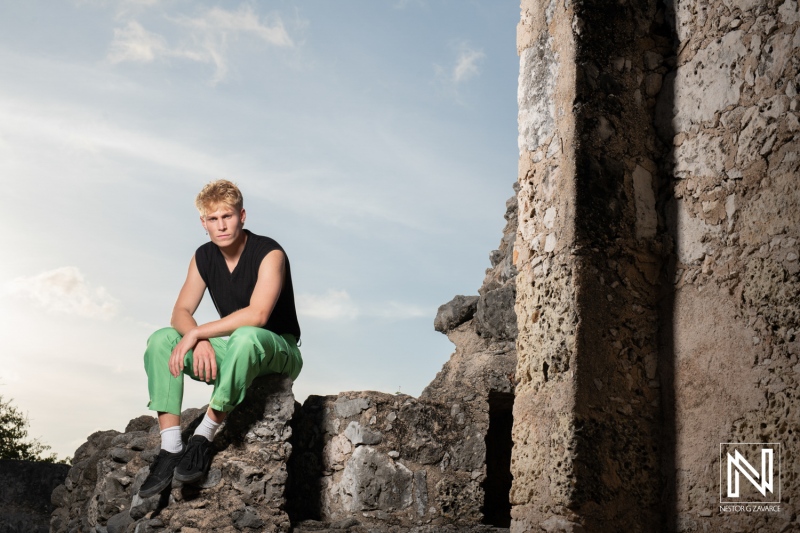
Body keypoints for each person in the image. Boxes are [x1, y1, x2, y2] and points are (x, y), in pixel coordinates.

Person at [138, 180, 302, 498]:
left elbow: (258, 316)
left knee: (245, 336)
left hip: (277, 349)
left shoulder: (270, 253)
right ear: (204, 223)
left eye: (227, 216)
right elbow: (181, 311)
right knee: (161, 339)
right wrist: (196, 339)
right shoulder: (203, 257)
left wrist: (200, 331)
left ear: (242, 216)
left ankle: (204, 435)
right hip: (234, 345)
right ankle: (171, 446)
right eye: (213, 219)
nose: (221, 225)